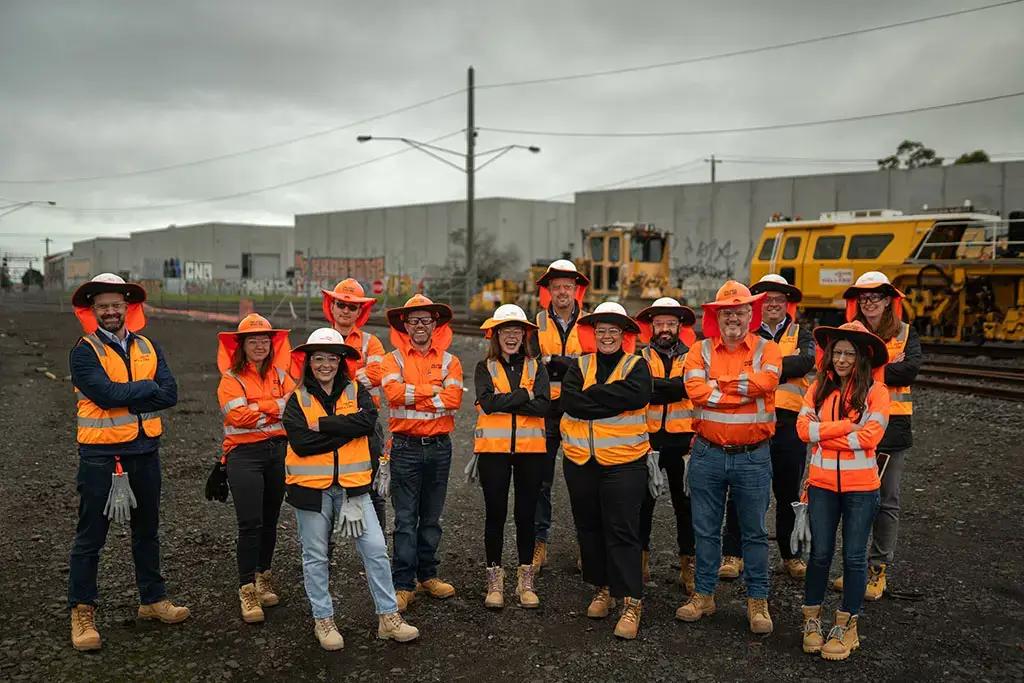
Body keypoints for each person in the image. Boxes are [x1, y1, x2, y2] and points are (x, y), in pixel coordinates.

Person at [67, 274, 187, 652]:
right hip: (102, 456)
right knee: (91, 537)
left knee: (147, 531)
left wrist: (133, 396)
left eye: (116, 305)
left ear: (128, 308)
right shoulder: (84, 351)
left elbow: (170, 393)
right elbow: (103, 395)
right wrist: (145, 390)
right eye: (102, 306)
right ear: (93, 311)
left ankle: (152, 600)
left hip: (144, 453)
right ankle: (82, 612)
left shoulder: (149, 347)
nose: (111, 312)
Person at [282, 328, 418, 650]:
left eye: (332, 358)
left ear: (341, 361)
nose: (325, 364)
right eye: (319, 358)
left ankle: (388, 618)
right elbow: (301, 443)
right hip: (311, 492)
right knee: (315, 556)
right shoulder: (297, 398)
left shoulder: (357, 392)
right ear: (309, 362)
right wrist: (348, 430)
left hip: (354, 491)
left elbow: (368, 424)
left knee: (375, 550)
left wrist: (325, 426)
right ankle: (323, 620)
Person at [677, 281, 781, 635]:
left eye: (739, 311)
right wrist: (740, 389)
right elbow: (695, 390)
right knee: (705, 530)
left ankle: (758, 602)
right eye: (727, 312)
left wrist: (717, 387)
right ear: (716, 316)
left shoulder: (769, 350)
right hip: (707, 453)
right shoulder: (698, 350)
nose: (733, 317)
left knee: (753, 533)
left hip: (753, 457)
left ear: (751, 315)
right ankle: (704, 595)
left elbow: (765, 383)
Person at [796, 321, 890, 661]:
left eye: (849, 353)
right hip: (821, 486)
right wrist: (847, 426)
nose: (842, 359)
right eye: (837, 352)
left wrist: (825, 432)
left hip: (861, 489)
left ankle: (847, 626)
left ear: (862, 357)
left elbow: (871, 437)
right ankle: (812, 622)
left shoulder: (877, 392)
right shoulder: (818, 386)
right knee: (819, 555)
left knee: (852, 557)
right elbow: (804, 431)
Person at [560, 301, 653, 640]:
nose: (607, 336)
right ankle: (602, 588)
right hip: (581, 461)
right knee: (589, 527)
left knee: (623, 530)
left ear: (624, 335)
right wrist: (610, 399)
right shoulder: (579, 365)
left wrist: (592, 397)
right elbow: (570, 402)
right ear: (594, 333)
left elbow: (637, 395)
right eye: (602, 331)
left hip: (625, 462)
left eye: (614, 331)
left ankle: (631, 600)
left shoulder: (637, 366)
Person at [833, 271, 921, 600]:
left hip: (893, 427)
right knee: (856, 500)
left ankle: (878, 569)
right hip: (854, 424)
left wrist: (866, 366)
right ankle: (855, 568)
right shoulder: (849, 332)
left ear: (887, 300)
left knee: (887, 500)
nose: (869, 303)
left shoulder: (906, 332)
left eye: (875, 297)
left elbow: (910, 370)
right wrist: (886, 365)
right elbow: (836, 367)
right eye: (863, 298)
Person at [720, 274, 815, 581]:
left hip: (789, 425)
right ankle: (733, 554)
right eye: (768, 300)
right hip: (752, 422)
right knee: (742, 490)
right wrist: (780, 366)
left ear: (787, 303)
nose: (773, 305)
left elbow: (806, 363)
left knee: (788, 493)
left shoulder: (803, 333)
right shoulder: (747, 334)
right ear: (758, 304)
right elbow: (739, 366)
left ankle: (790, 556)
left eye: (779, 300)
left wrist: (763, 367)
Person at [380, 294, 464, 612]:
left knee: (430, 519)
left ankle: (427, 575)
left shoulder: (449, 361)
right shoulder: (393, 359)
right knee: (404, 520)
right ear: (405, 324)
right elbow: (393, 393)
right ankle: (403, 584)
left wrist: (413, 394)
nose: (419, 326)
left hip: (440, 448)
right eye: (414, 320)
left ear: (435, 325)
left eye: (425, 320)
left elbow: (454, 399)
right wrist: (434, 392)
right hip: (405, 448)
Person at [468, 304, 551, 609]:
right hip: (493, 453)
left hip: (531, 453)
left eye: (517, 330)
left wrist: (507, 402)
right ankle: (495, 583)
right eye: (506, 330)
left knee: (526, 516)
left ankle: (525, 581)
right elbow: (487, 404)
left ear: (524, 335)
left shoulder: (536, 367)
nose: (512, 336)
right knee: (496, 515)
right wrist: (525, 395)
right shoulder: (483, 367)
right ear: (496, 335)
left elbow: (544, 407)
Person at [215, 314, 295, 623]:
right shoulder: (230, 378)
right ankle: (246, 587)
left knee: (271, 519)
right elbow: (238, 418)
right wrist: (274, 409)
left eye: (265, 340)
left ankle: (264, 575)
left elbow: (293, 408)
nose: (260, 345)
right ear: (242, 345)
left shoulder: (281, 375)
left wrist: (258, 409)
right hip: (243, 456)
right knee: (250, 522)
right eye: (253, 340)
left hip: (278, 454)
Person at [635, 297, 698, 592]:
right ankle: (641, 563)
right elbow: (642, 389)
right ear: (651, 326)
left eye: (670, 323)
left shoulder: (694, 357)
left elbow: (692, 388)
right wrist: (674, 388)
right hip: (648, 441)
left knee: (685, 505)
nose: (664, 329)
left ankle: (689, 566)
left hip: (683, 441)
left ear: (679, 326)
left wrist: (660, 388)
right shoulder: (639, 357)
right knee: (643, 504)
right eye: (659, 323)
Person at [530, 259, 589, 573]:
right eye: (557, 287)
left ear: (576, 290)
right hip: (546, 412)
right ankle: (540, 544)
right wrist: (567, 363)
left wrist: (557, 361)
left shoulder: (592, 323)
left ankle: (586, 544)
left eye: (568, 286)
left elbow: (593, 366)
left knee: (582, 481)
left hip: (579, 411)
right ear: (549, 291)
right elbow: (532, 366)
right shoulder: (536, 323)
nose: (563, 292)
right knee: (541, 481)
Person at [321, 278, 387, 526]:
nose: (346, 311)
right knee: (325, 490)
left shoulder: (371, 342)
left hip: (365, 426)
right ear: (332, 305)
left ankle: (376, 558)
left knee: (372, 489)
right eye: (341, 305)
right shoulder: (321, 339)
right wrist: (357, 378)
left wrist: (336, 381)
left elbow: (378, 374)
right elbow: (310, 380)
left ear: (361, 311)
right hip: (329, 424)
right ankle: (323, 558)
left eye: (352, 307)